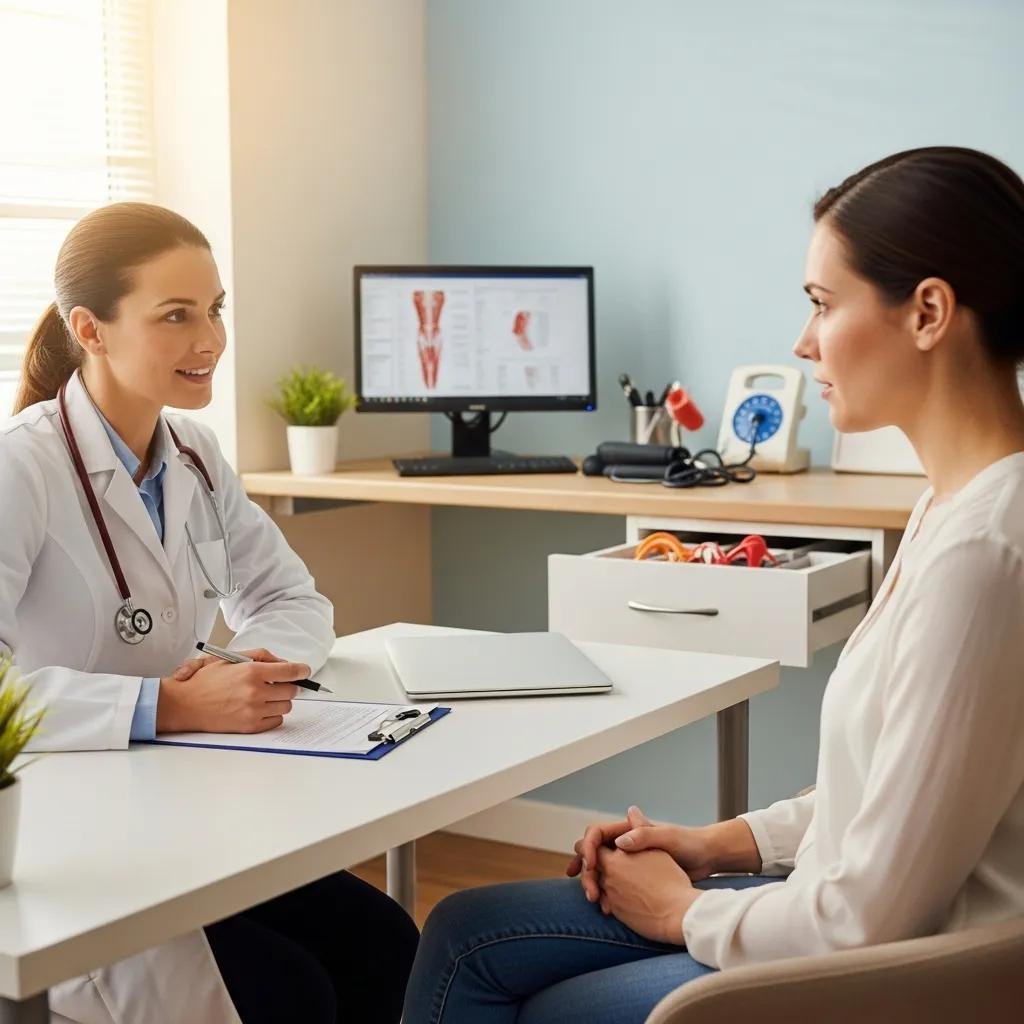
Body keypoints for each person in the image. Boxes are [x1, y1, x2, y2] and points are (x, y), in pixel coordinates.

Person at [400, 146, 1024, 1024]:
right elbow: (887, 792)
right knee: (465, 927)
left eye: (821, 304)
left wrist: (683, 909)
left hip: (902, 970)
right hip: (841, 907)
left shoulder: (987, 555)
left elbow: (871, 916)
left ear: (928, 312)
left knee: (527, 991)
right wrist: (712, 843)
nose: (802, 343)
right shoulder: (948, 509)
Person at [0, 203, 418, 1024]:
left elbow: (291, 598)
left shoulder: (193, 452)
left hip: (181, 809)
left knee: (383, 941)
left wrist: (244, 665)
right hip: (64, 839)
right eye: (176, 316)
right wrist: (166, 704)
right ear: (90, 328)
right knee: (289, 994)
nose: (210, 340)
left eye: (216, 308)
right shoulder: (23, 468)